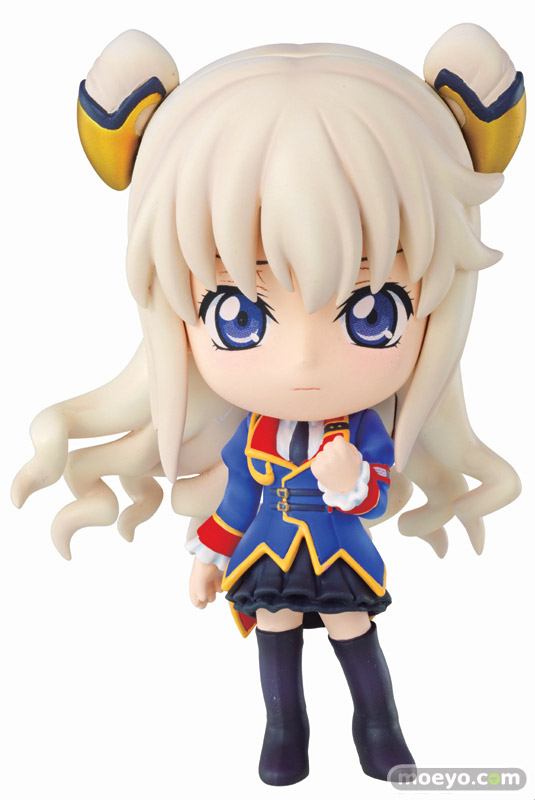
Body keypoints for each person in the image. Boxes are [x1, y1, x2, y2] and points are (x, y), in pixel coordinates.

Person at [12, 23, 525, 786]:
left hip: (339, 556)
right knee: (275, 639)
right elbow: (236, 499)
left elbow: (372, 494)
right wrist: (208, 555)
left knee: (353, 633)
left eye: (372, 311)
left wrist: (352, 479)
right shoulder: (251, 439)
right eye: (238, 315)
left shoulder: (363, 432)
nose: (304, 362)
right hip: (267, 558)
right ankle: (284, 734)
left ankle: (379, 729)